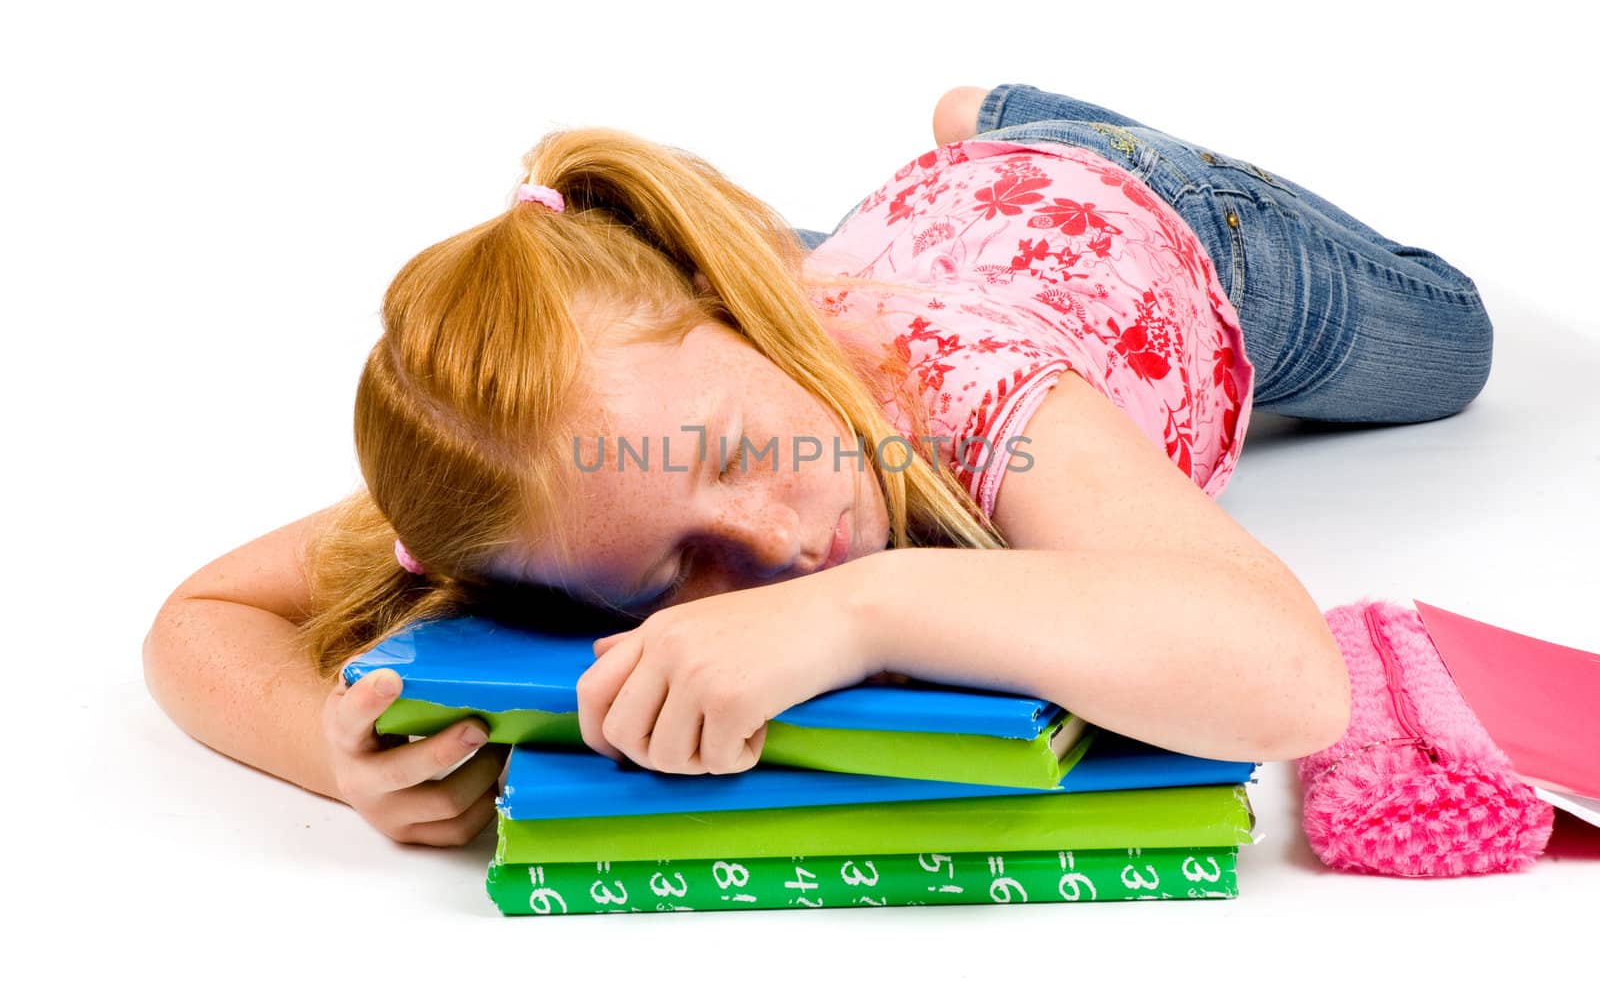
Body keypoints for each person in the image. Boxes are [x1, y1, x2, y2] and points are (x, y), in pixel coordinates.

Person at [143, 83, 1493, 847]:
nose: (777, 540)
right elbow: (198, 620)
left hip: (1183, 234)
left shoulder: (975, 399)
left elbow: (1291, 682)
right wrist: (343, 764)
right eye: (679, 566)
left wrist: (863, 606)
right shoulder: (560, 451)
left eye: (737, 451)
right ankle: (961, 152)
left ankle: (1021, 118)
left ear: (736, 311)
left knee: (1459, 344)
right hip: (873, 248)